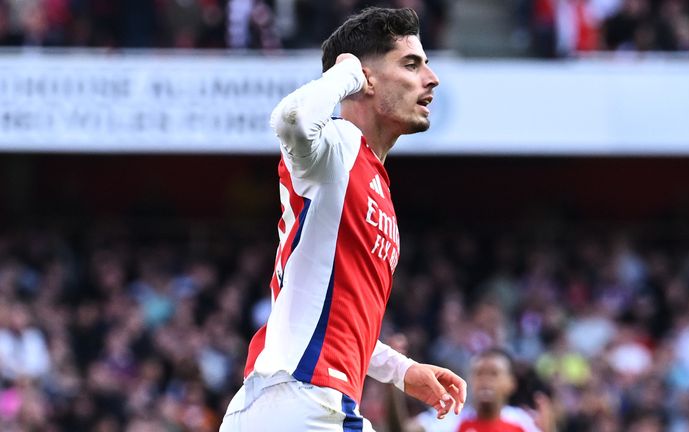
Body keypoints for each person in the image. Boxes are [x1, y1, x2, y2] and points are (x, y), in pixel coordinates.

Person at [219, 7, 466, 431]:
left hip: (289, 406)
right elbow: (291, 119)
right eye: (411, 63)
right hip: (303, 400)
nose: (431, 77)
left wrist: (401, 370)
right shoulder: (337, 144)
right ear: (366, 79)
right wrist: (345, 73)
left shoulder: (371, 179)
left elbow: (334, 316)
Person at [408, 348, 556, 432]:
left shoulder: (524, 423)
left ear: (511, 383)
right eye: (479, 373)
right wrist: (392, 385)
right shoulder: (450, 420)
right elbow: (400, 429)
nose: (485, 381)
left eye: (493, 374)